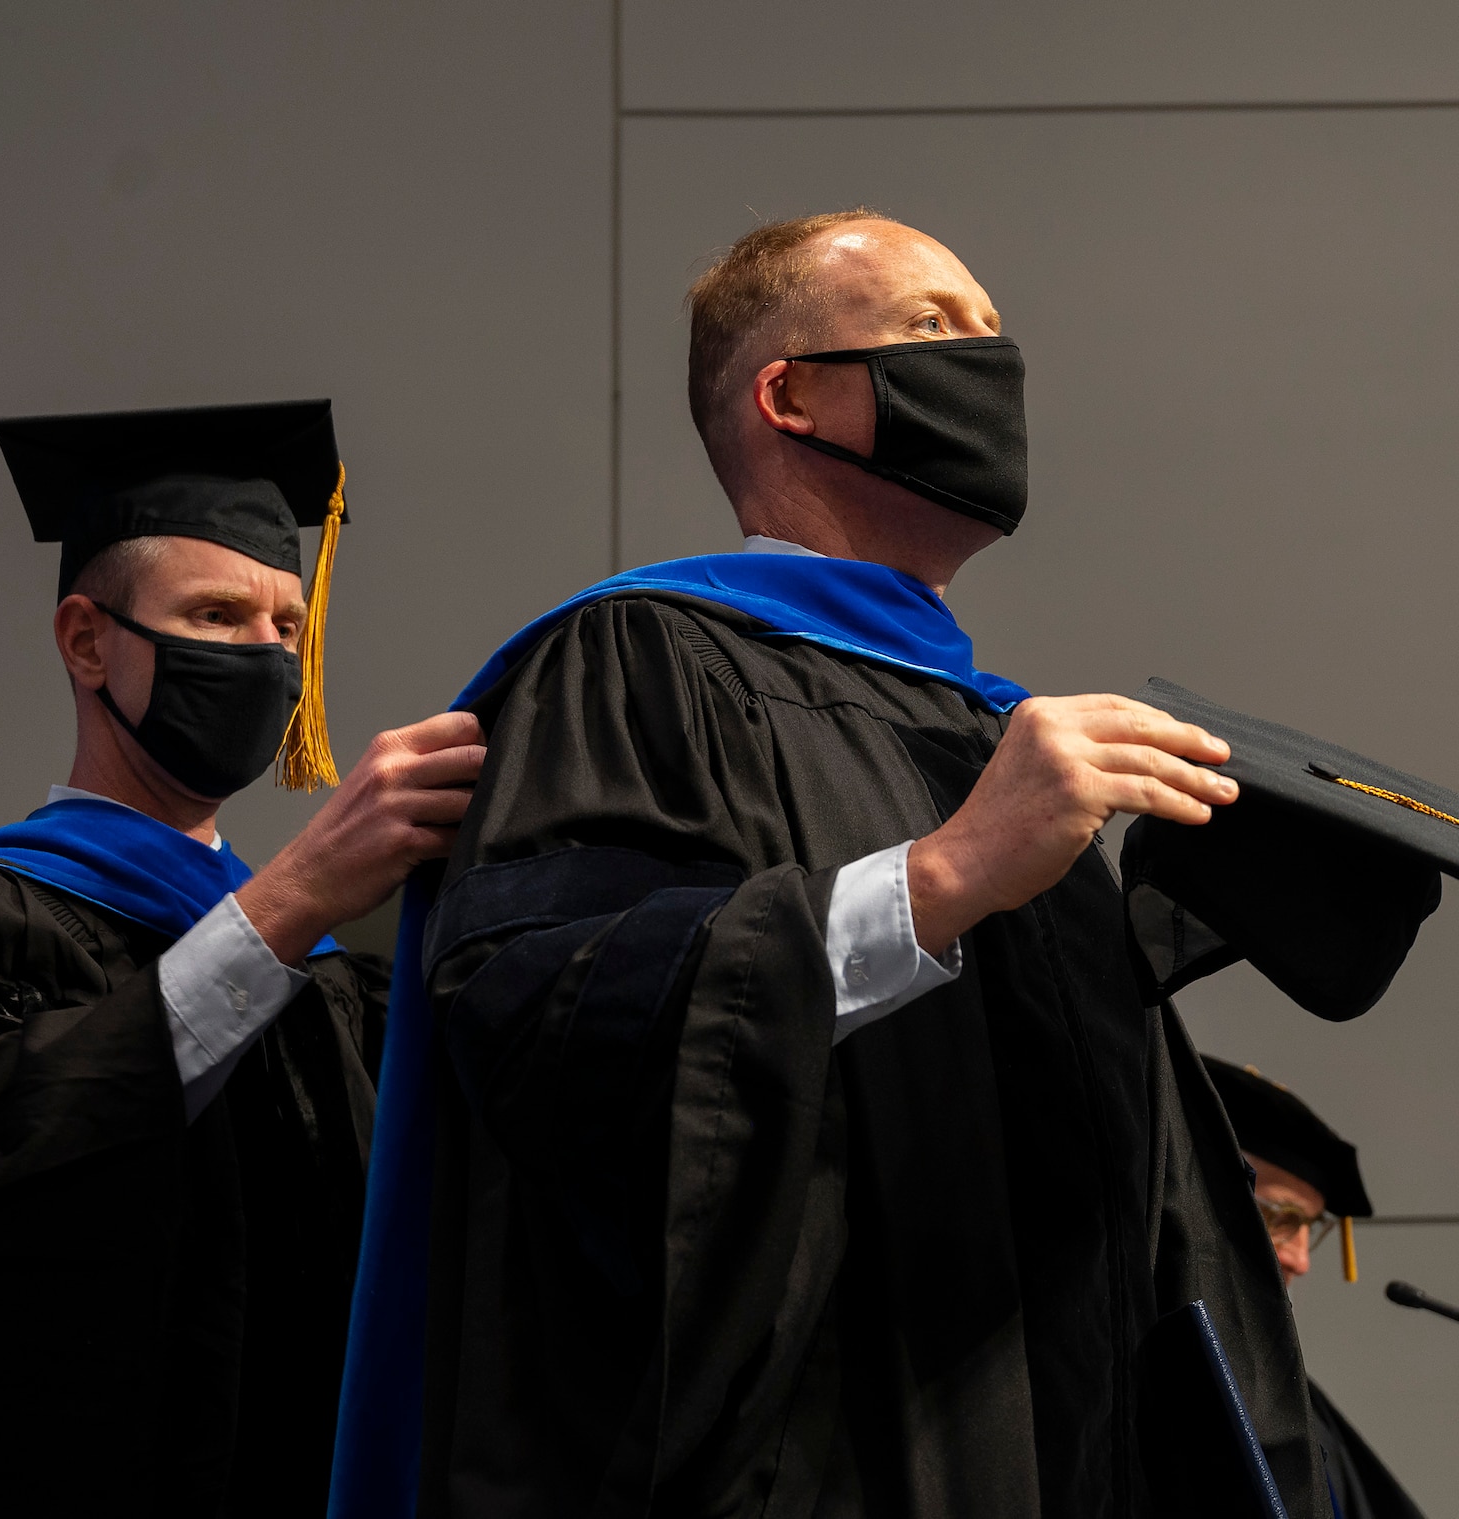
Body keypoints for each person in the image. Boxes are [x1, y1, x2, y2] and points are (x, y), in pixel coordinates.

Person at [330, 213, 1338, 1518]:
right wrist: (940, 879)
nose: (991, 355)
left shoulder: (985, 721)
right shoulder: (633, 662)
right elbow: (545, 1019)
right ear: (789, 395)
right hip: (804, 1460)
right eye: (933, 324)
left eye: (991, 324)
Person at [0, 401, 486, 1518]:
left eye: (285, 627)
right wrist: (293, 897)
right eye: (215, 613)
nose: (263, 657)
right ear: (84, 639)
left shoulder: (331, 985)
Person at [1203, 1058, 1429, 1519]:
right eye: (1283, 1220)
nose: (1300, 1260)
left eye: (1310, 1228)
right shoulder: (1132, 1371)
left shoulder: (1300, 1406)